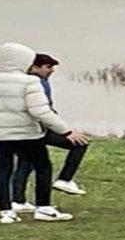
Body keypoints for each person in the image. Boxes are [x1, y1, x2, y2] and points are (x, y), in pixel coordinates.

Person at [0, 42, 88, 224]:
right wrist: (66, 131)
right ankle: (44, 208)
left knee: (3, 170)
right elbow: (40, 111)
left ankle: (6, 212)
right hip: (27, 133)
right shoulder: (29, 82)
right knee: (43, 166)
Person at [11, 53, 91, 214]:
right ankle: (64, 180)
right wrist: (62, 129)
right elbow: (42, 110)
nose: (52, 70)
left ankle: (18, 201)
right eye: (48, 67)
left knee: (25, 164)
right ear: (34, 67)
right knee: (79, 143)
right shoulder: (37, 83)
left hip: (22, 129)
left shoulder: (20, 82)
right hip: (39, 128)